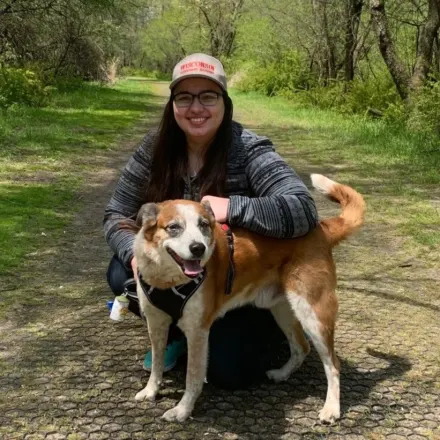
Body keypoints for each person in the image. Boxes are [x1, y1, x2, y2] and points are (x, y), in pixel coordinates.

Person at [103, 53, 318, 390]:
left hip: (236, 282)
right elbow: (115, 214)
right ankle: (175, 330)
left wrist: (232, 208)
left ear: (224, 102)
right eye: (184, 97)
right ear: (172, 104)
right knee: (119, 271)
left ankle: (268, 330)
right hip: (182, 275)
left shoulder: (249, 149)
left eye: (208, 96)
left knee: (230, 373)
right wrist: (134, 256)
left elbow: (302, 209)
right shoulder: (153, 150)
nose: (196, 107)